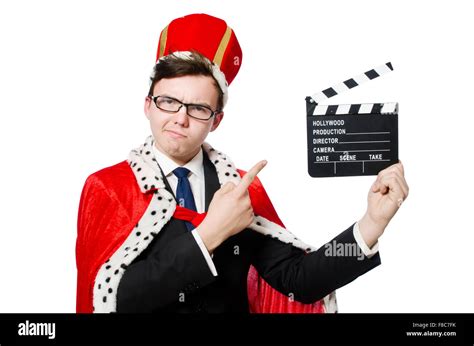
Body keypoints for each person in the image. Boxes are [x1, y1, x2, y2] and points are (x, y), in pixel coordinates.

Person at [75, 13, 409, 313]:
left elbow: (298, 281)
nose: (180, 118)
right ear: (148, 105)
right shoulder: (108, 188)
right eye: (168, 102)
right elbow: (112, 299)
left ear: (215, 120)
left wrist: (371, 224)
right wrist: (208, 235)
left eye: (198, 108)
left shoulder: (238, 188)